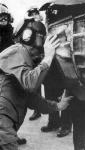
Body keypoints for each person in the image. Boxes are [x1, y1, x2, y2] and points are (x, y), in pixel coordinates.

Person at [0, 18, 72, 150]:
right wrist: (48, 57)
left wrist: (57, 106)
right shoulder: (16, 50)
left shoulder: (26, 60)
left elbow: (30, 98)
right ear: (27, 36)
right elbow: (30, 84)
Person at [0, 3, 27, 145]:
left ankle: (12, 134)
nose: (3, 19)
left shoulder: (12, 32)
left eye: (5, 16)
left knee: (13, 108)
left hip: (11, 73)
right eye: (0, 17)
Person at [24, 6, 43, 121]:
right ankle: (38, 110)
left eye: (35, 13)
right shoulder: (30, 25)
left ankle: (40, 110)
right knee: (35, 86)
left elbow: (39, 44)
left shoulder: (39, 25)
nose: (34, 15)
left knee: (39, 85)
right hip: (34, 58)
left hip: (39, 58)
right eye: (32, 13)